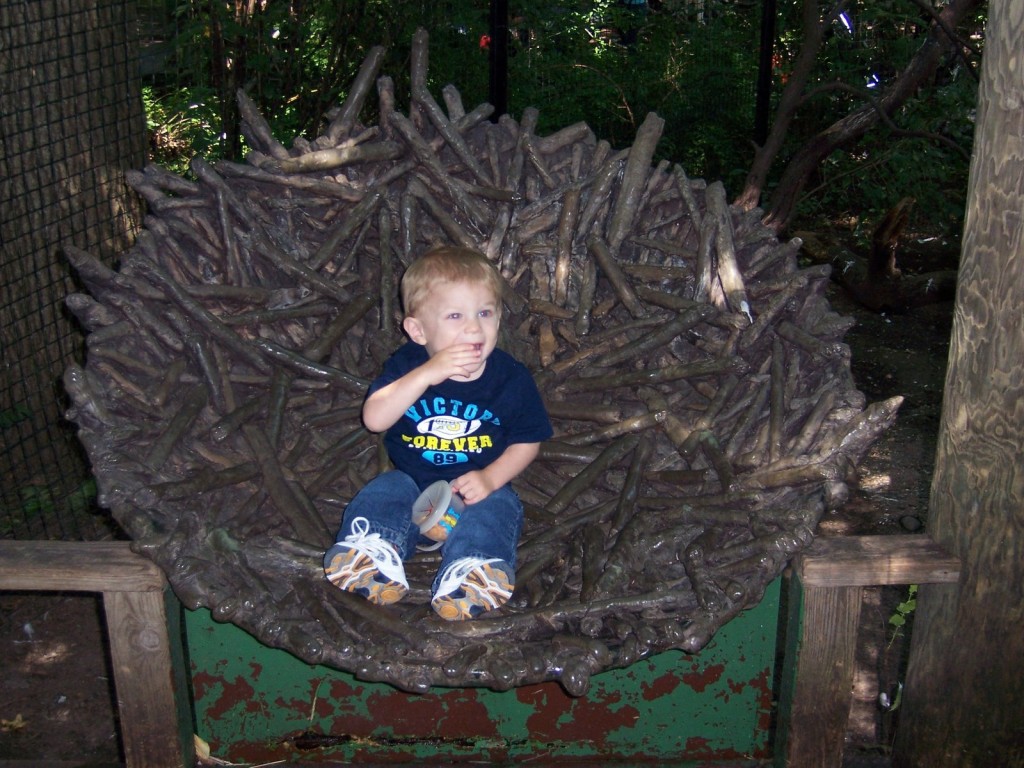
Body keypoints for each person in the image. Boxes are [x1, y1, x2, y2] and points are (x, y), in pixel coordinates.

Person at [323, 246, 553, 620]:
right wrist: (428, 373)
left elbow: (529, 439)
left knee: (501, 506)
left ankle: (470, 572)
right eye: (454, 316)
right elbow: (375, 418)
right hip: (414, 486)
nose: (474, 327)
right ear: (418, 330)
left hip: (474, 490)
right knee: (385, 489)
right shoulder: (408, 365)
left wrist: (491, 478)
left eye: (485, 312)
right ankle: (374, 552)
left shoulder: (511, 378)